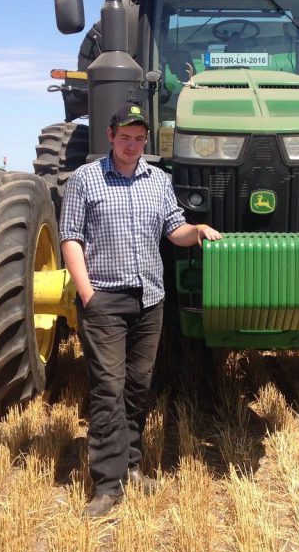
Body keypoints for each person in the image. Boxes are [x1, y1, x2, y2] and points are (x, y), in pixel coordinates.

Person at [59, 102, 222, 517]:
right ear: (110, 136)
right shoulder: (86, 179)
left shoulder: (158, 181)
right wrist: (88, 295)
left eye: (139, 138)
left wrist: (197, 230)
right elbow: (71, 239)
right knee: (108, 390)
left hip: (150, 300)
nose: (132, 145)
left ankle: (132, 466)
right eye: (125, 137)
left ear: (145, 140)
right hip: (105, 300)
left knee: (136, 387)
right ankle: (107, 484)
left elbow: (175, 229)